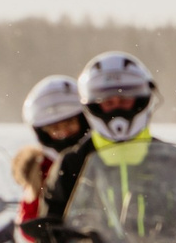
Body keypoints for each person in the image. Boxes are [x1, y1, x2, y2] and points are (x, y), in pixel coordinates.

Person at [38, 52, 160, 228]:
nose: (117, 108)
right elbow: (49, 228)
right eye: (108, 101)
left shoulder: (172, 161)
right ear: (94, 104)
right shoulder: (71, 163)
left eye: (124, 99)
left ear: (141, 100)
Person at [11, 74, 86, 222]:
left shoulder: (101, 155)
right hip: (63, 234)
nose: (64, 132)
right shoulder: (41, 169)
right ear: (43, 132)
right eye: (55, 128)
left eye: (69, 123)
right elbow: (30, 217)